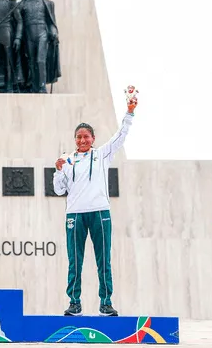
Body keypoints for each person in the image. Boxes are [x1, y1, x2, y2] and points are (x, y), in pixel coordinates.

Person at [53, 93, 139, 316]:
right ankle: (74, 303)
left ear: (93, 138)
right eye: (79, 137)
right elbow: (59, 189)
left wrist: (129, 112)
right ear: (75, 140)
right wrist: (58, 170)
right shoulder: (68, 160)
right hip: (75, 215)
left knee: (104, 260)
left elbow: (121, 136)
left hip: (100, 213)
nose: (82, 141)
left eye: (86, 137)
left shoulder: (102, 154)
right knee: (75, 262)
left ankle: (106, 303)